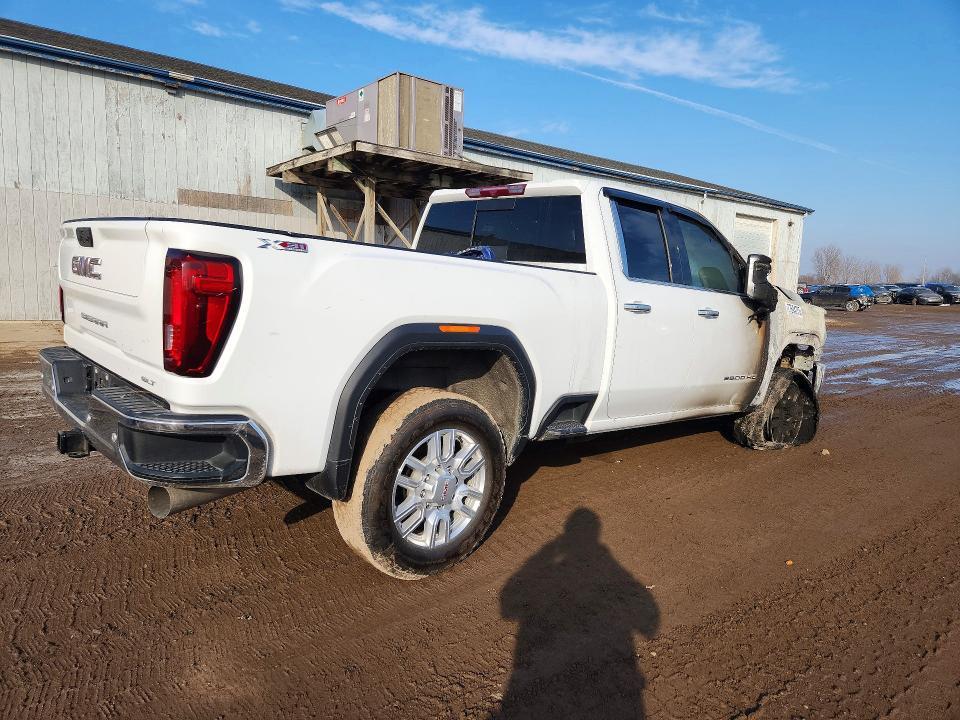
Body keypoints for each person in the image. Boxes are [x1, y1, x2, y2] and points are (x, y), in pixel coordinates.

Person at [497, 508, 660, 719]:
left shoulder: (561, 565)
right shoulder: (607, 566)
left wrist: (545, 554)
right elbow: (650, 621)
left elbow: (508, 606)